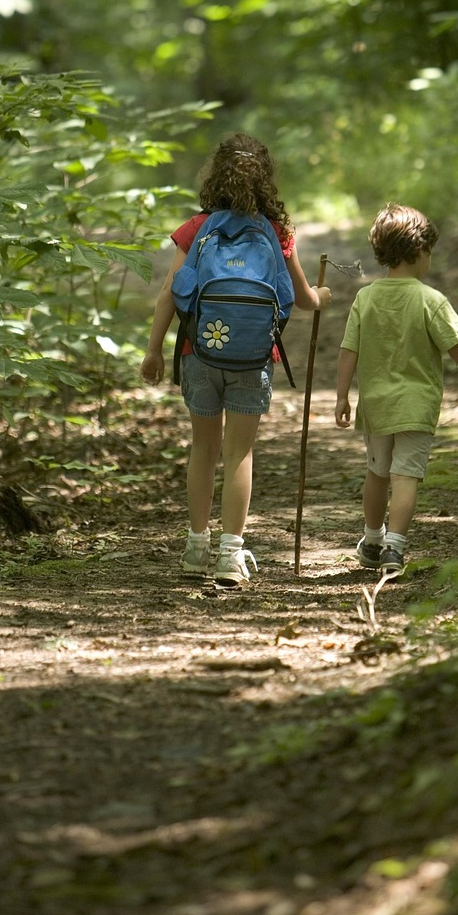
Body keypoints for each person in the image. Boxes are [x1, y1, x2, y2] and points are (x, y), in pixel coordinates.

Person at [140, 133, 332, 586]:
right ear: (266, 179)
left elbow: (171, 291)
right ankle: (231, 554)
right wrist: (322, 295)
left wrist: (153, 350)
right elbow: (304, 299)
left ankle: (195, 547)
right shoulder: (277, 231)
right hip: (252, 358)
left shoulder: (196, 227)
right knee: (239, 452)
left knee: (203, 449)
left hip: (198, 352)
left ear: (215, 175)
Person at [334, 203, 458, 578]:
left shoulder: (366, 298)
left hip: (377, 405)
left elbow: (349, 349)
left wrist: (341, 396)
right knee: (406, 476)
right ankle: (395, 547)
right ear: (419, 251)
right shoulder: (431, 300)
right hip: (416, 406)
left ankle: (372, 539)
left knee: (377, 472)